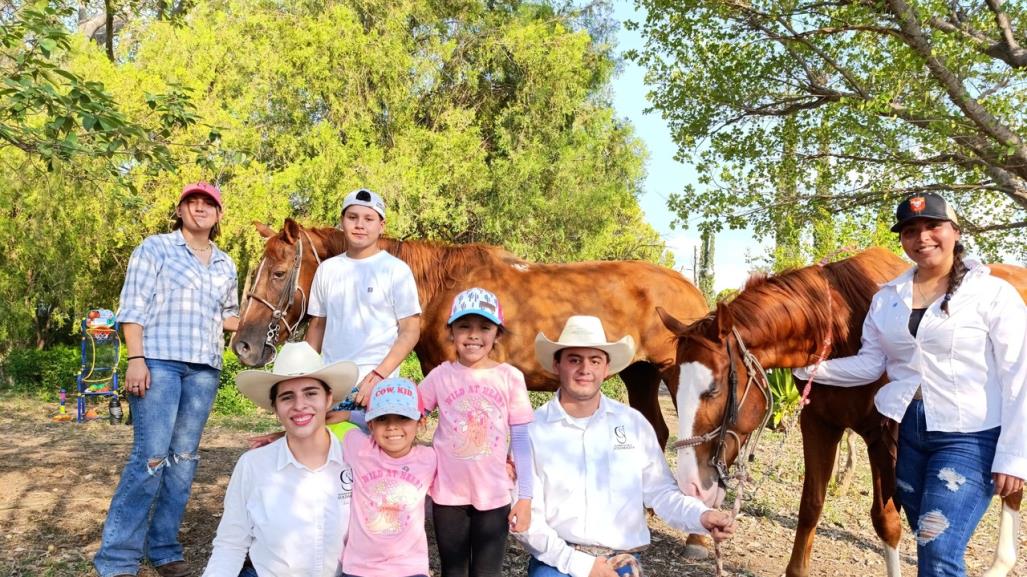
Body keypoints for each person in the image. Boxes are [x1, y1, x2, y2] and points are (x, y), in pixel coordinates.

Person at [793, 193, 1027, 577]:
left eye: (933, 227)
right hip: (907, 431)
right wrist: (810, 371)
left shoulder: (991, 294)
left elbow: (1019, 374)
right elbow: (872, 363)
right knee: (928, 540)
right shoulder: (887, 298)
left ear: (955, 231)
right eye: (910, 231)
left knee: (937, 549)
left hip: (969, 434)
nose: (922, 237)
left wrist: (1015, 455)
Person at [515, 315, 735, 577]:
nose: (585, 369)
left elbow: (661, 492)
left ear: (606, 369)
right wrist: (583, 566)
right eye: (574, 359)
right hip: (556, 563)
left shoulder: (632, 423)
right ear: (556, 365)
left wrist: (702, 517)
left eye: (595, 360)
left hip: (621, 563)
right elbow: (527, 520)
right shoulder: (532, 430)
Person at [95, 182, 240, 577]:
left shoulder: (226, 264)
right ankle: (117, 559)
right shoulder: (154, 248)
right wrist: (136, 358)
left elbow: (229, 317)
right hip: (158, 362)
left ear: (219, 215)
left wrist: (265, 322)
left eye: (208, 203)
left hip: (204, 369)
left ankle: (163, 548)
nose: (200, 208)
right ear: (179, 211)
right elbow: (132, 308)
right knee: (151, 457)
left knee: (184, 461)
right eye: (192, 202)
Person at [202, 342, 359, 577]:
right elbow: (231, 544)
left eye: (310, 393)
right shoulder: (253, 465)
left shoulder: (359, 460)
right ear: (275, 408)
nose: (299, 405)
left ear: (328, 399)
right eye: (287, 397)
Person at [418, 287, 535, 577]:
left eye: (484, 327)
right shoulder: (440, 376)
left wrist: (525, 498)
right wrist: (354, 415)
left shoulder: (510, 377)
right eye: (464, 327)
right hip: (448, 496)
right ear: (451, 332)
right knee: (453, 571)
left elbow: (520, 440)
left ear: (497, 334)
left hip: (494, 495)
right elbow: (406, 414)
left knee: (487, 573)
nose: (473, 335)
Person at [305, 188, 421, 408]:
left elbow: (410, 330)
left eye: (369, 218)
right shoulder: (327, 270)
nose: (360, 225)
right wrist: (307, 377)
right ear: (342, 221)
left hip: (378, 390)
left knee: (375, 443)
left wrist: (378, 376)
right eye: (352, 217)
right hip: (331, 387)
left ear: (381, 226)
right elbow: (317, 326)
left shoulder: (396, 270)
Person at [340, 377, 438, 577]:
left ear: (421, 422)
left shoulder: (429, 459)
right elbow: (311, 437)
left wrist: (504, 465)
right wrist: (279, 438)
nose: (392, 426)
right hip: (359, 568)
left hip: (410, 568)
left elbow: (465, 468)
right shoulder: (356, 445)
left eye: (403, 417)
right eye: (383, 418)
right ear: (371, 424)